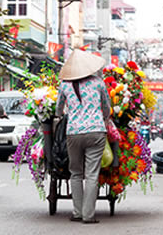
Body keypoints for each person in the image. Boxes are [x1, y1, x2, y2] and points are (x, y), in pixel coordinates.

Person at [56, 49, 110, 224]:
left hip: (73, 133)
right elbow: (106, 107)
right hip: (96, 131)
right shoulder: (98, 83)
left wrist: (63, 114)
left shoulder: (64, 85)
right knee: (92, 174)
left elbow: (58, 110)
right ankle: (88, 215)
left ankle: (77, 212)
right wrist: (104, 118)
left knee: (75, 173)